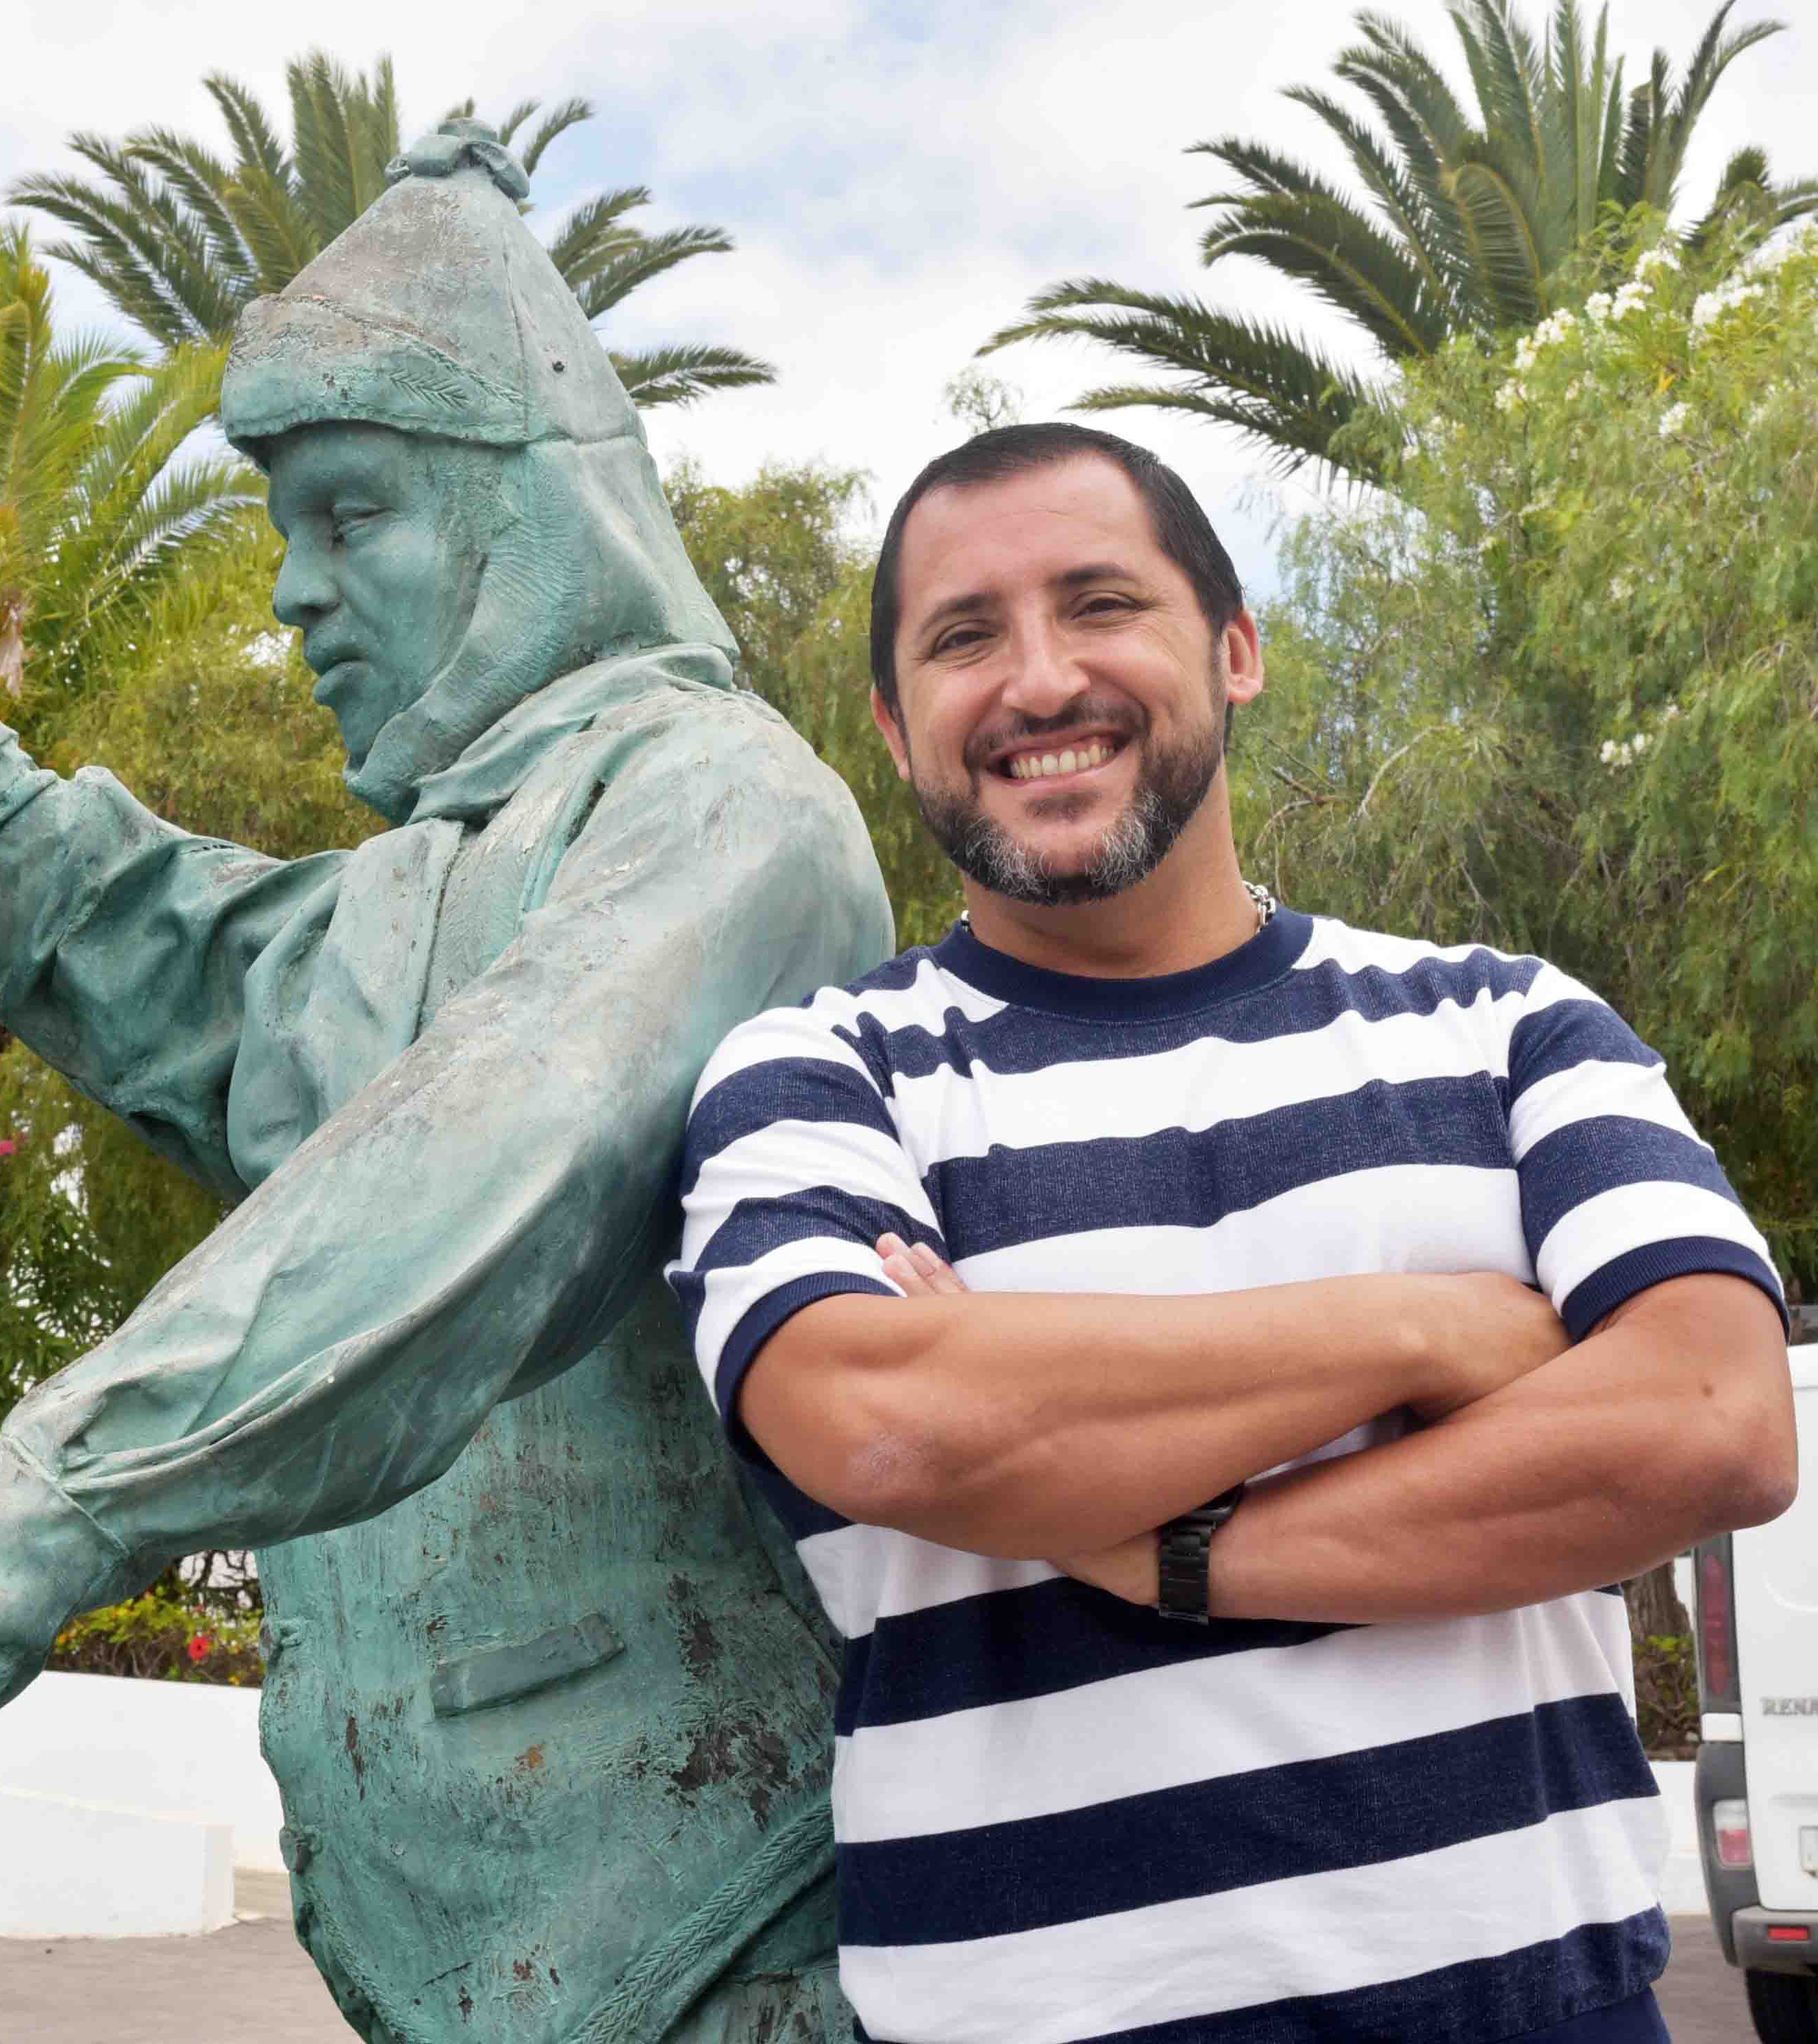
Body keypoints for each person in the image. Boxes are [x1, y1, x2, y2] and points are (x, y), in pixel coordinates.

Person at [0, 121, 893, 2043]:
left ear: (537, 509)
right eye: (283, 528)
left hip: (736, 1960)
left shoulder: (728, 811)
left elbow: (447, 1205)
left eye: (352, 516)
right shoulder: (364, 933)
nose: (293, 593)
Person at [669, 421, 1797, 2044]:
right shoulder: (818, 1073)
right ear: (892, 721)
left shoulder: (1506, 1028)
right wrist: (1425, 1333)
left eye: (1100, 603)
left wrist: (1164, 1546)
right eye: (963, 636)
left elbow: (1712, 1421)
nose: (1040, 681)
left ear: (1236, 647)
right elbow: (893, 1421)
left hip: (1538, 2010)